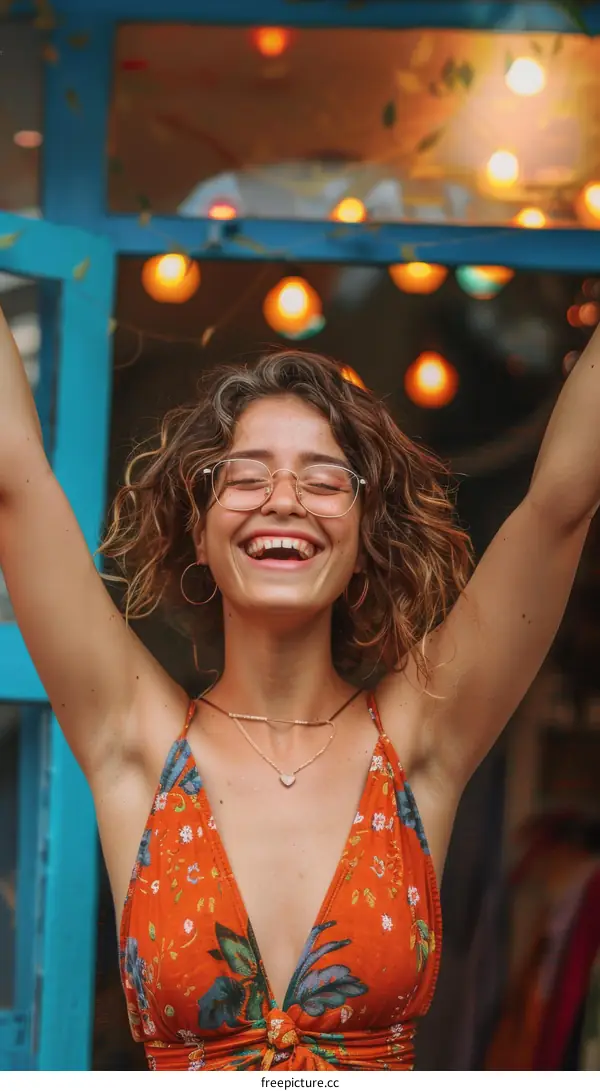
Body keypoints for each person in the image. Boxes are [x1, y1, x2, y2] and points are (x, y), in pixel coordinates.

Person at [0, 305, 597, 1072]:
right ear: (199, 527)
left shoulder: (420, 743)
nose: (284, 498)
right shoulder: (137, 739)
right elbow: (15, 479)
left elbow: (560, 505)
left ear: (363, 534)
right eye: (245, 476)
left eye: (324, 479)